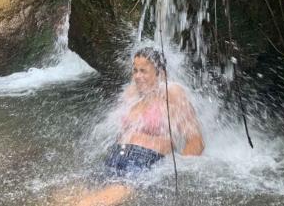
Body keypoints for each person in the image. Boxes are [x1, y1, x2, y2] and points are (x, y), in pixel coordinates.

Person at [58, 47, 204, 206]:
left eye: (143, 71)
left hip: (144, 160)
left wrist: (177, 170)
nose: (137, 76)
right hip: (115, 157)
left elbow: (196, 141)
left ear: (160, 73)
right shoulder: (131, 93)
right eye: (135, 70)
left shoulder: (172, 93)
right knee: (63, 196)